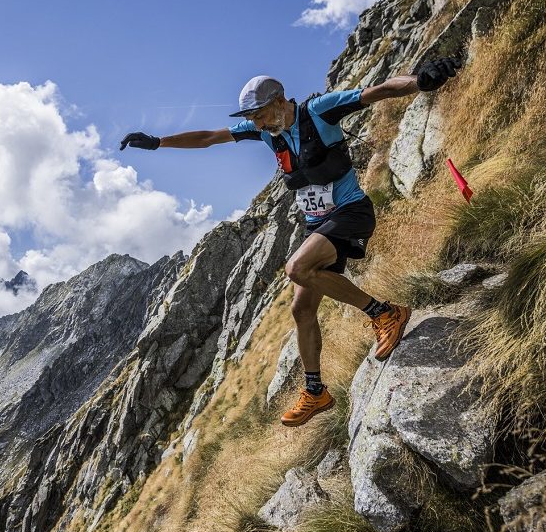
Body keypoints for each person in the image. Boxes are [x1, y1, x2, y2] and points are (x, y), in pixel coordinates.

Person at [120, 57, 461, 426]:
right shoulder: (267, 132)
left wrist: (421, 81)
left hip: (350, 212)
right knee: (301, 310)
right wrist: (158, 143)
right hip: (317, 225)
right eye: (252, 118)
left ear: (280, 101)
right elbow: (209, 137)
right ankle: (316, 392)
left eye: (260, 115)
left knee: (297, 268)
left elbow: (375, 92)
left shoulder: (319, 111)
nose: (257, 124)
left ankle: (384, 313)